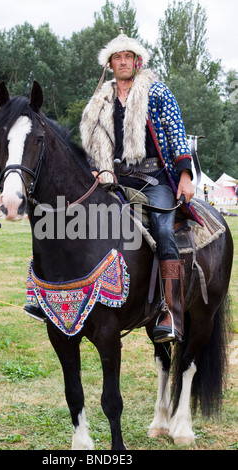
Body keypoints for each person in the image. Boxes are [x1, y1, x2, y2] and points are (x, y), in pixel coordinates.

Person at [80, 31, 198, 343]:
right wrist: (95, 167)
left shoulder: (156, 92)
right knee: (80, 223)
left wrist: (185, 175)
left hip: (154, 177)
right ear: (110, 63)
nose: (122, 62)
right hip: (115, 178)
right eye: (117, 57)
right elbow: (94, 142)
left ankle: (172, 310)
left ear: (136, 61)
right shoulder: (100, 101)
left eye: (127, 57)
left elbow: (176, 133)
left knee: (162, 230)